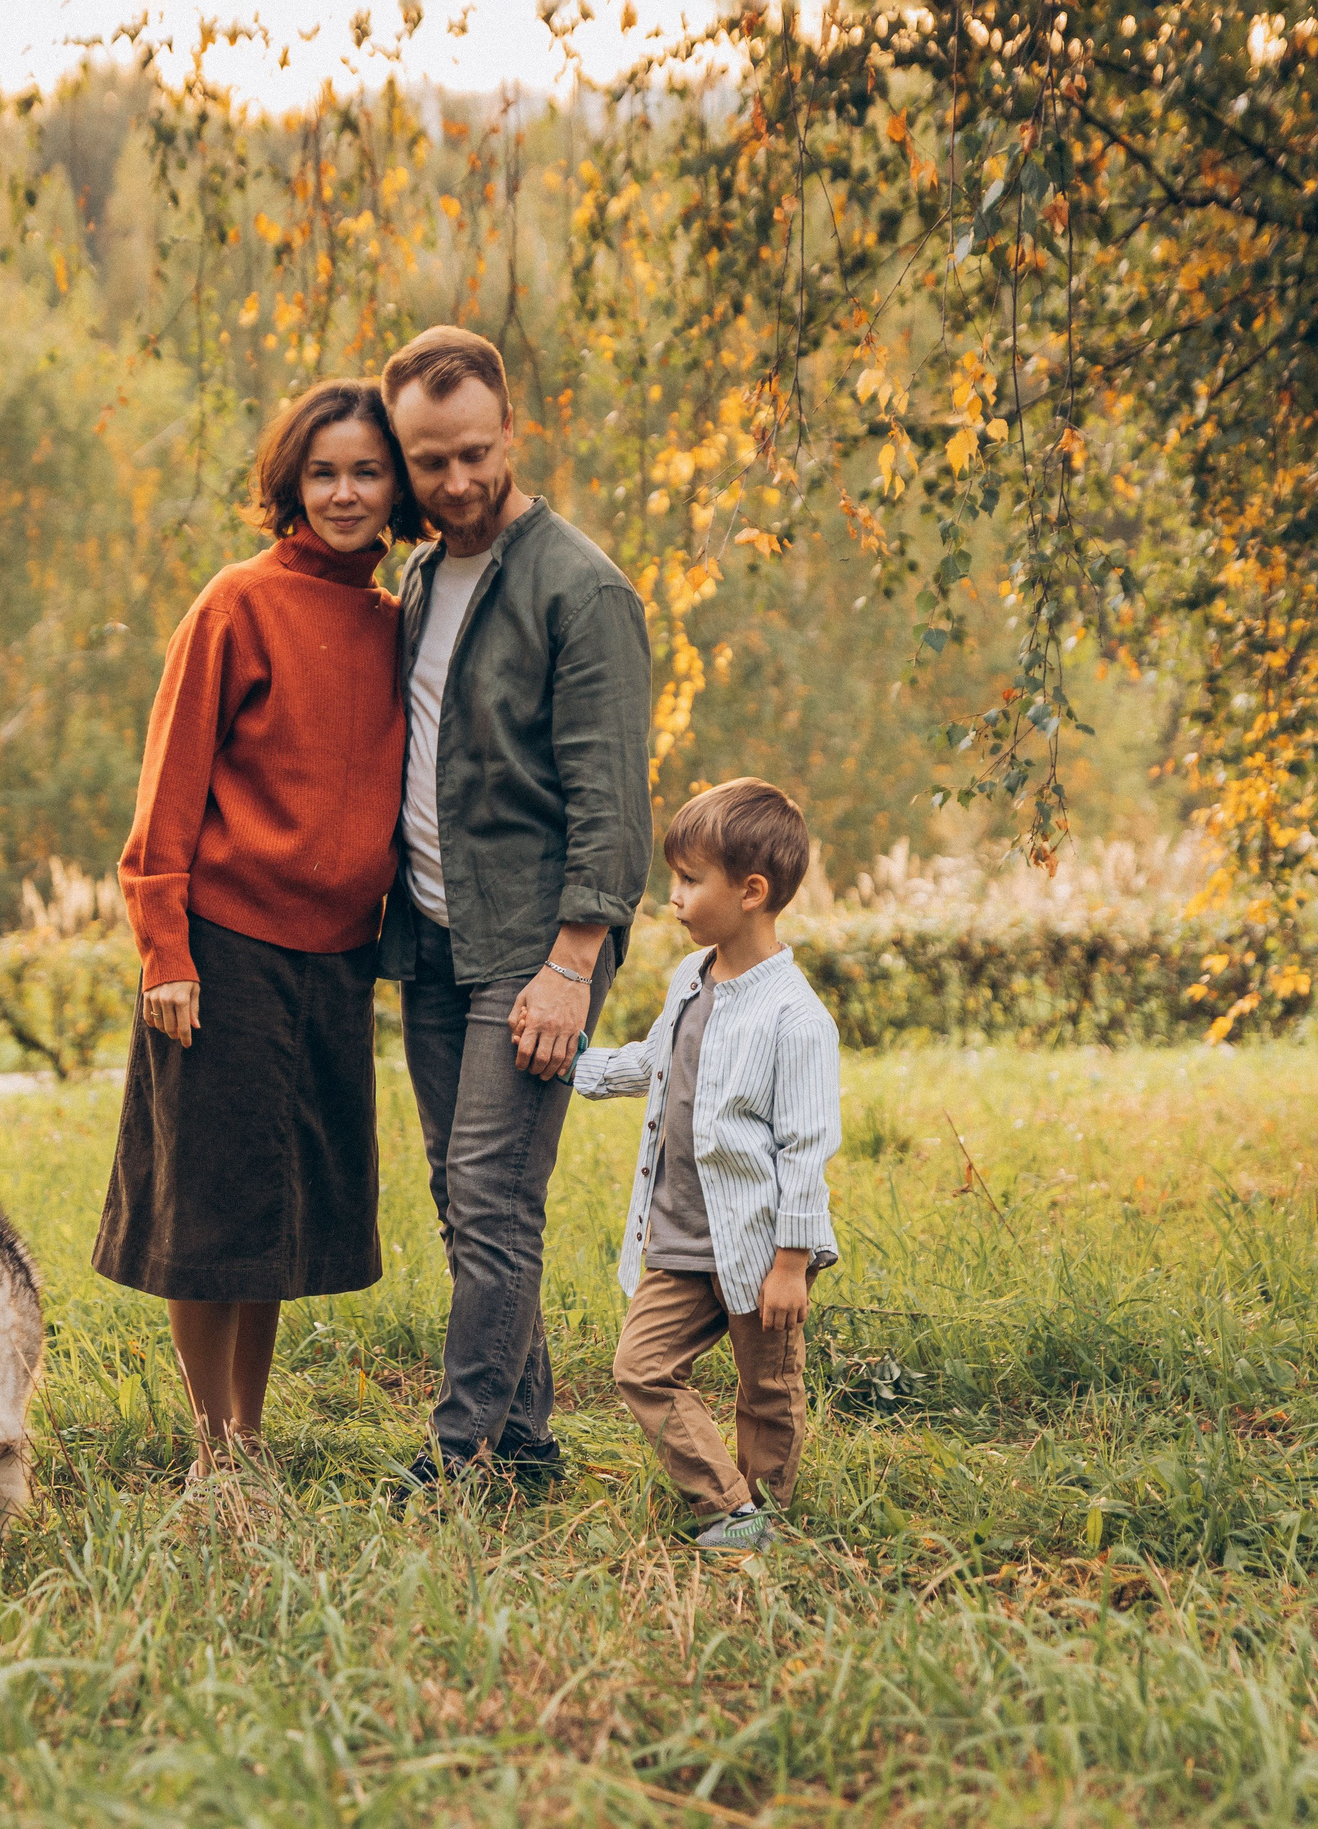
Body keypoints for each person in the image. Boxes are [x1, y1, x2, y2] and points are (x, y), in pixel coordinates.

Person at [93, 379, 422, 1483]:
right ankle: (211, 1448)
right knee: (211, 1210)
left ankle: (249, 1434)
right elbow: (168, 786)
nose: (345, 493)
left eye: (366, 472)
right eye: (323, 472)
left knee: (274, 1212)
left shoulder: (397, 624)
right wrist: (165, 948)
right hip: (223, 948)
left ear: (397, 488)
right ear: (292, 482)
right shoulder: (236, 601)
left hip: (336, 960)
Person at [377, 326, 654, 1493]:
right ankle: (527, 1444)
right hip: (434, 933)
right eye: (429, 460)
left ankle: (461, 1453)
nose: (455, 481)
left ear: (511, 432)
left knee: (493, 1196)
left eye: (474, 453)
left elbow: (612, 800)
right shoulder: (419, 579)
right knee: (462, 1194)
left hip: (537, 941)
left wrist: (570, 962)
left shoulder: (579, 588)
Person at [575, 779, 842, 1552]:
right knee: (641, 1366)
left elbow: (806, 1149)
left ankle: (763, 1516)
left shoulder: (796, 1017)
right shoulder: (690, 979)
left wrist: (790, 1263)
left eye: (691, 880)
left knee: (767, 1391)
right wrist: (579, 1067)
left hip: (760, 1246)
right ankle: (728, 1507)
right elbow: (657, 1061)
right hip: (681, 1236)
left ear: (751, 891)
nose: (674, 896)